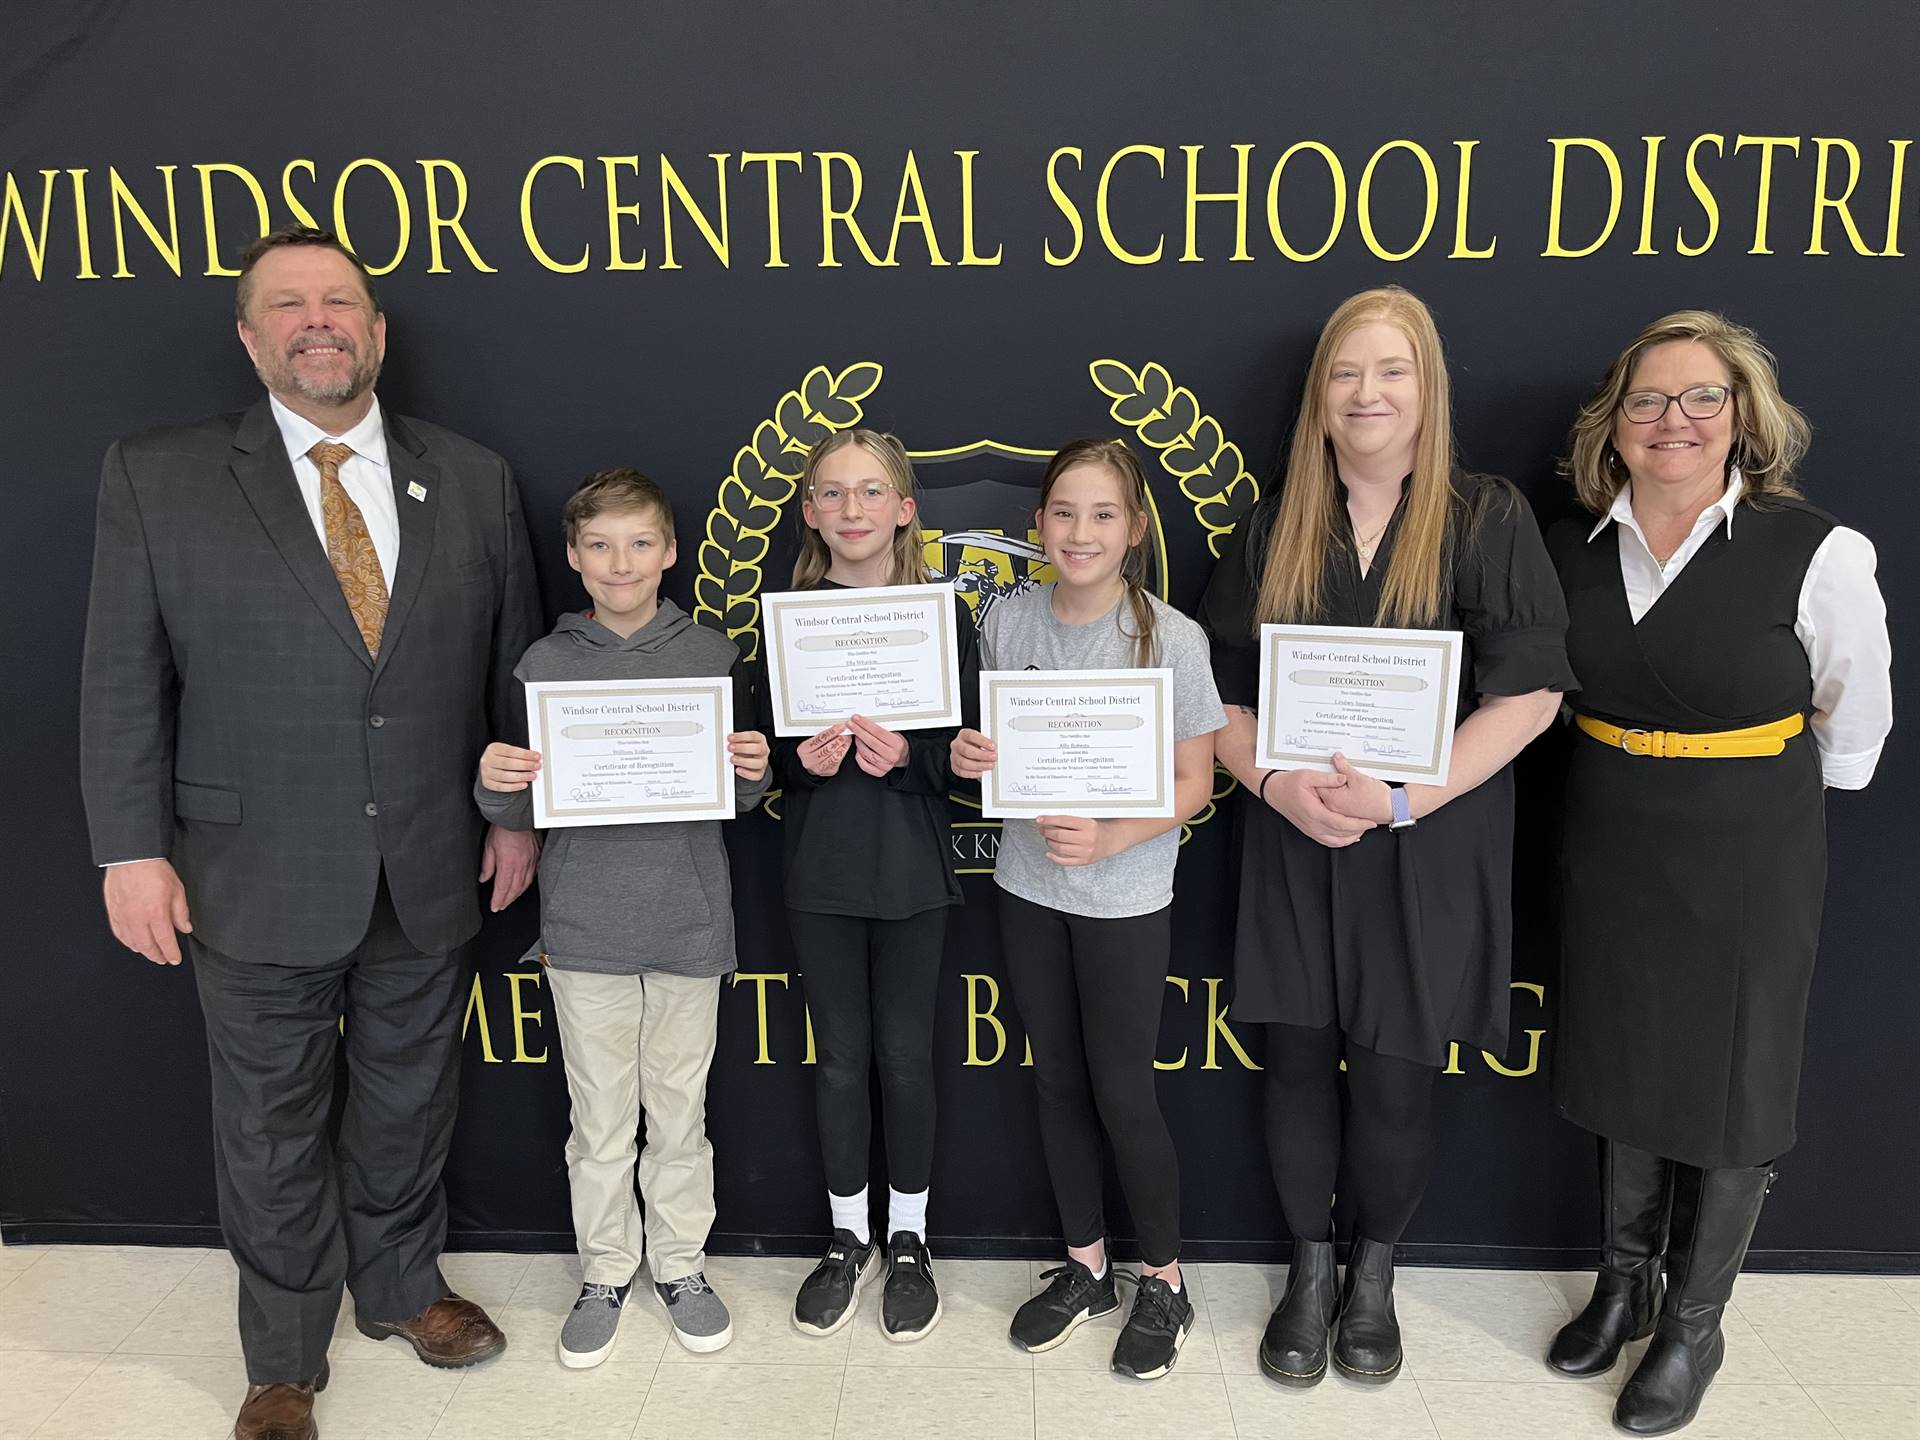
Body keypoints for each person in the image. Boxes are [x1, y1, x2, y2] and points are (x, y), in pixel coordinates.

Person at [78, 226, 542, 1440]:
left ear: (379, 333)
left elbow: (511, 673)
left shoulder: (475, 476)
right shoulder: (158, 474)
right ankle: (283, 1355)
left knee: (408, 1094)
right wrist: (129, 849)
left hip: (434, 857)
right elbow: (123, 680)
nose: (317, 321)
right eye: (287, 305)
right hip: (249, 869)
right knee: (269, 1117)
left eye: (341, 302)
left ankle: (398, 1289)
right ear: (250, 337)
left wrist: (515, 819)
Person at [1199, 286, 1572, 1388]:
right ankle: (1307, 1276)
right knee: (1298, 1071)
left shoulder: (1485, 515)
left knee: (1400, 1082)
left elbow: (1533, 696)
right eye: (1347, 373)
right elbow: (1209, 693)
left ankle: (1374, 1276)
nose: (1368, 393)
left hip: (1426, 845)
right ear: (1318, 398)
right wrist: (1269, 781)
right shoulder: (1273, 526)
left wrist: (1405, 799)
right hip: (1296, 838)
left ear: (1428, 390)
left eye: (1392, 371)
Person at [1543, 312, 1891, 1435]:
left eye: (1702, 399)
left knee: (1736, 1076)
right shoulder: (1573, 547)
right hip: (1610, 832)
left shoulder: (1817, 551)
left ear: (1743, 417)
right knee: (1623, 1056)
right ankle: (1623, 1283)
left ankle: (1695, 1321)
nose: (1674, 421)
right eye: (1648, 400)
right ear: (1615, 423)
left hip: (1751, 844)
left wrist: (1760, 810)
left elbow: (1854, 724)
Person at [474, 469, 770, 1366]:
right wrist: (492, 791)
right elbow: (521, 811)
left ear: (670, 553)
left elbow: (746, 800)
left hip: (687, 925)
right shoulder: (543, 664)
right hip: (586, 928)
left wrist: (754, 770)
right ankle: (606, 1270)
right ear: (572, 557)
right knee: (599, 1120)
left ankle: (679, 1267)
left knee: (680, 1116)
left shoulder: (715, 659)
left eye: (640, 542)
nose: (620, 562)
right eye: (599, 545)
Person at [951, 437, 1226, 1380]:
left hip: (1126, 896)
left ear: (1135, 530)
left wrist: (1112, 839)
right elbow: (992, 747)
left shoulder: (1172, 637)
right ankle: (1085, 1267)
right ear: (1038, 526)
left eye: (1103, 514)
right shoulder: (1010, 623)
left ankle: (1167, 1282)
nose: (1080, 531)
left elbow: (1194, 781)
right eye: (1064, 512)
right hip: (1028, 887)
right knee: (1055, 1083)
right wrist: (971, 759)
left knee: (1123, 1092)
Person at [771, 431, 978, 1342]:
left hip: (914, 872)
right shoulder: (786, 617)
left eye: (871, 492)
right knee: (841, 1059)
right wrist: (804, 767)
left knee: (905, 1057)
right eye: (832, 493)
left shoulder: (944, 618)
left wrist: (910, 760)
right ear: (811, 511)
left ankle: (911, 1237)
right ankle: (847, 1237)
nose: (851, 509)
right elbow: (761, 758)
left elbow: (969, 761)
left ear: (905, 509)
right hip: (821, 873)